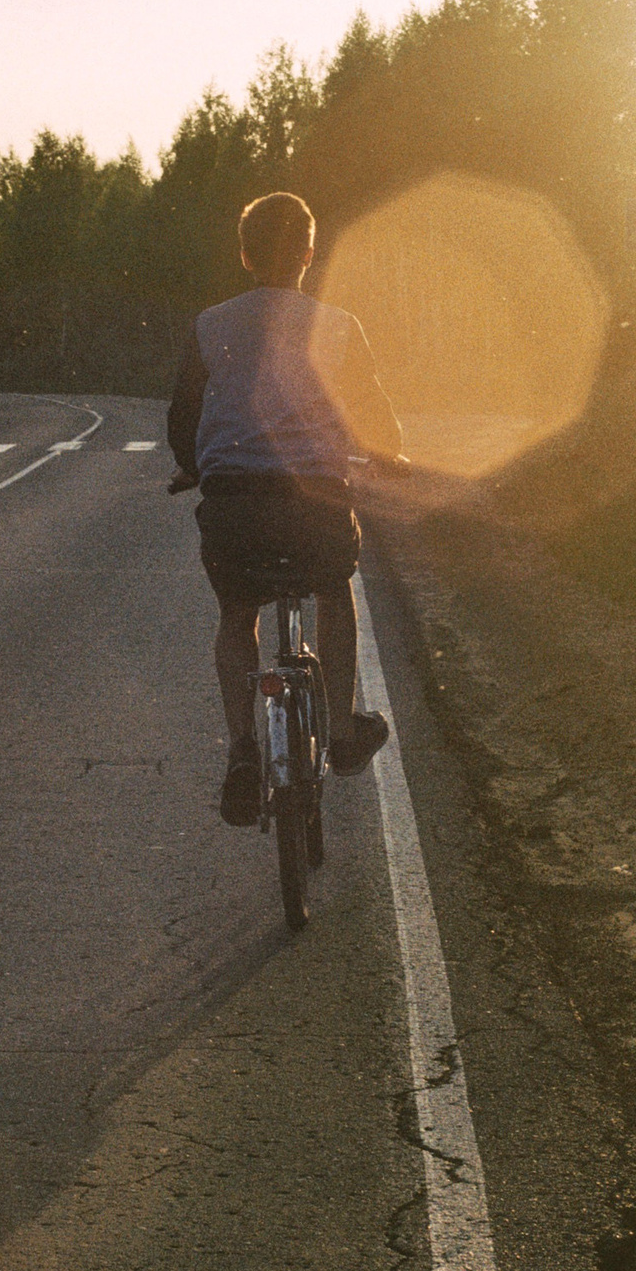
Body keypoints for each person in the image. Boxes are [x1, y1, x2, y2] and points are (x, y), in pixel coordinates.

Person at [167, 192, 403, 827]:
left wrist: (195, 465)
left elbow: (183, 417)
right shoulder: (337, 324)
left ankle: (243, 749)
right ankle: (346, 727)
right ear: (308, 252)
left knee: (236, 612)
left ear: (244, 255)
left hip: (234, 511)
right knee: (334, 590)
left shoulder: (209, 325)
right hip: (313, 511)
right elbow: (372, 412)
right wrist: (389, 456)